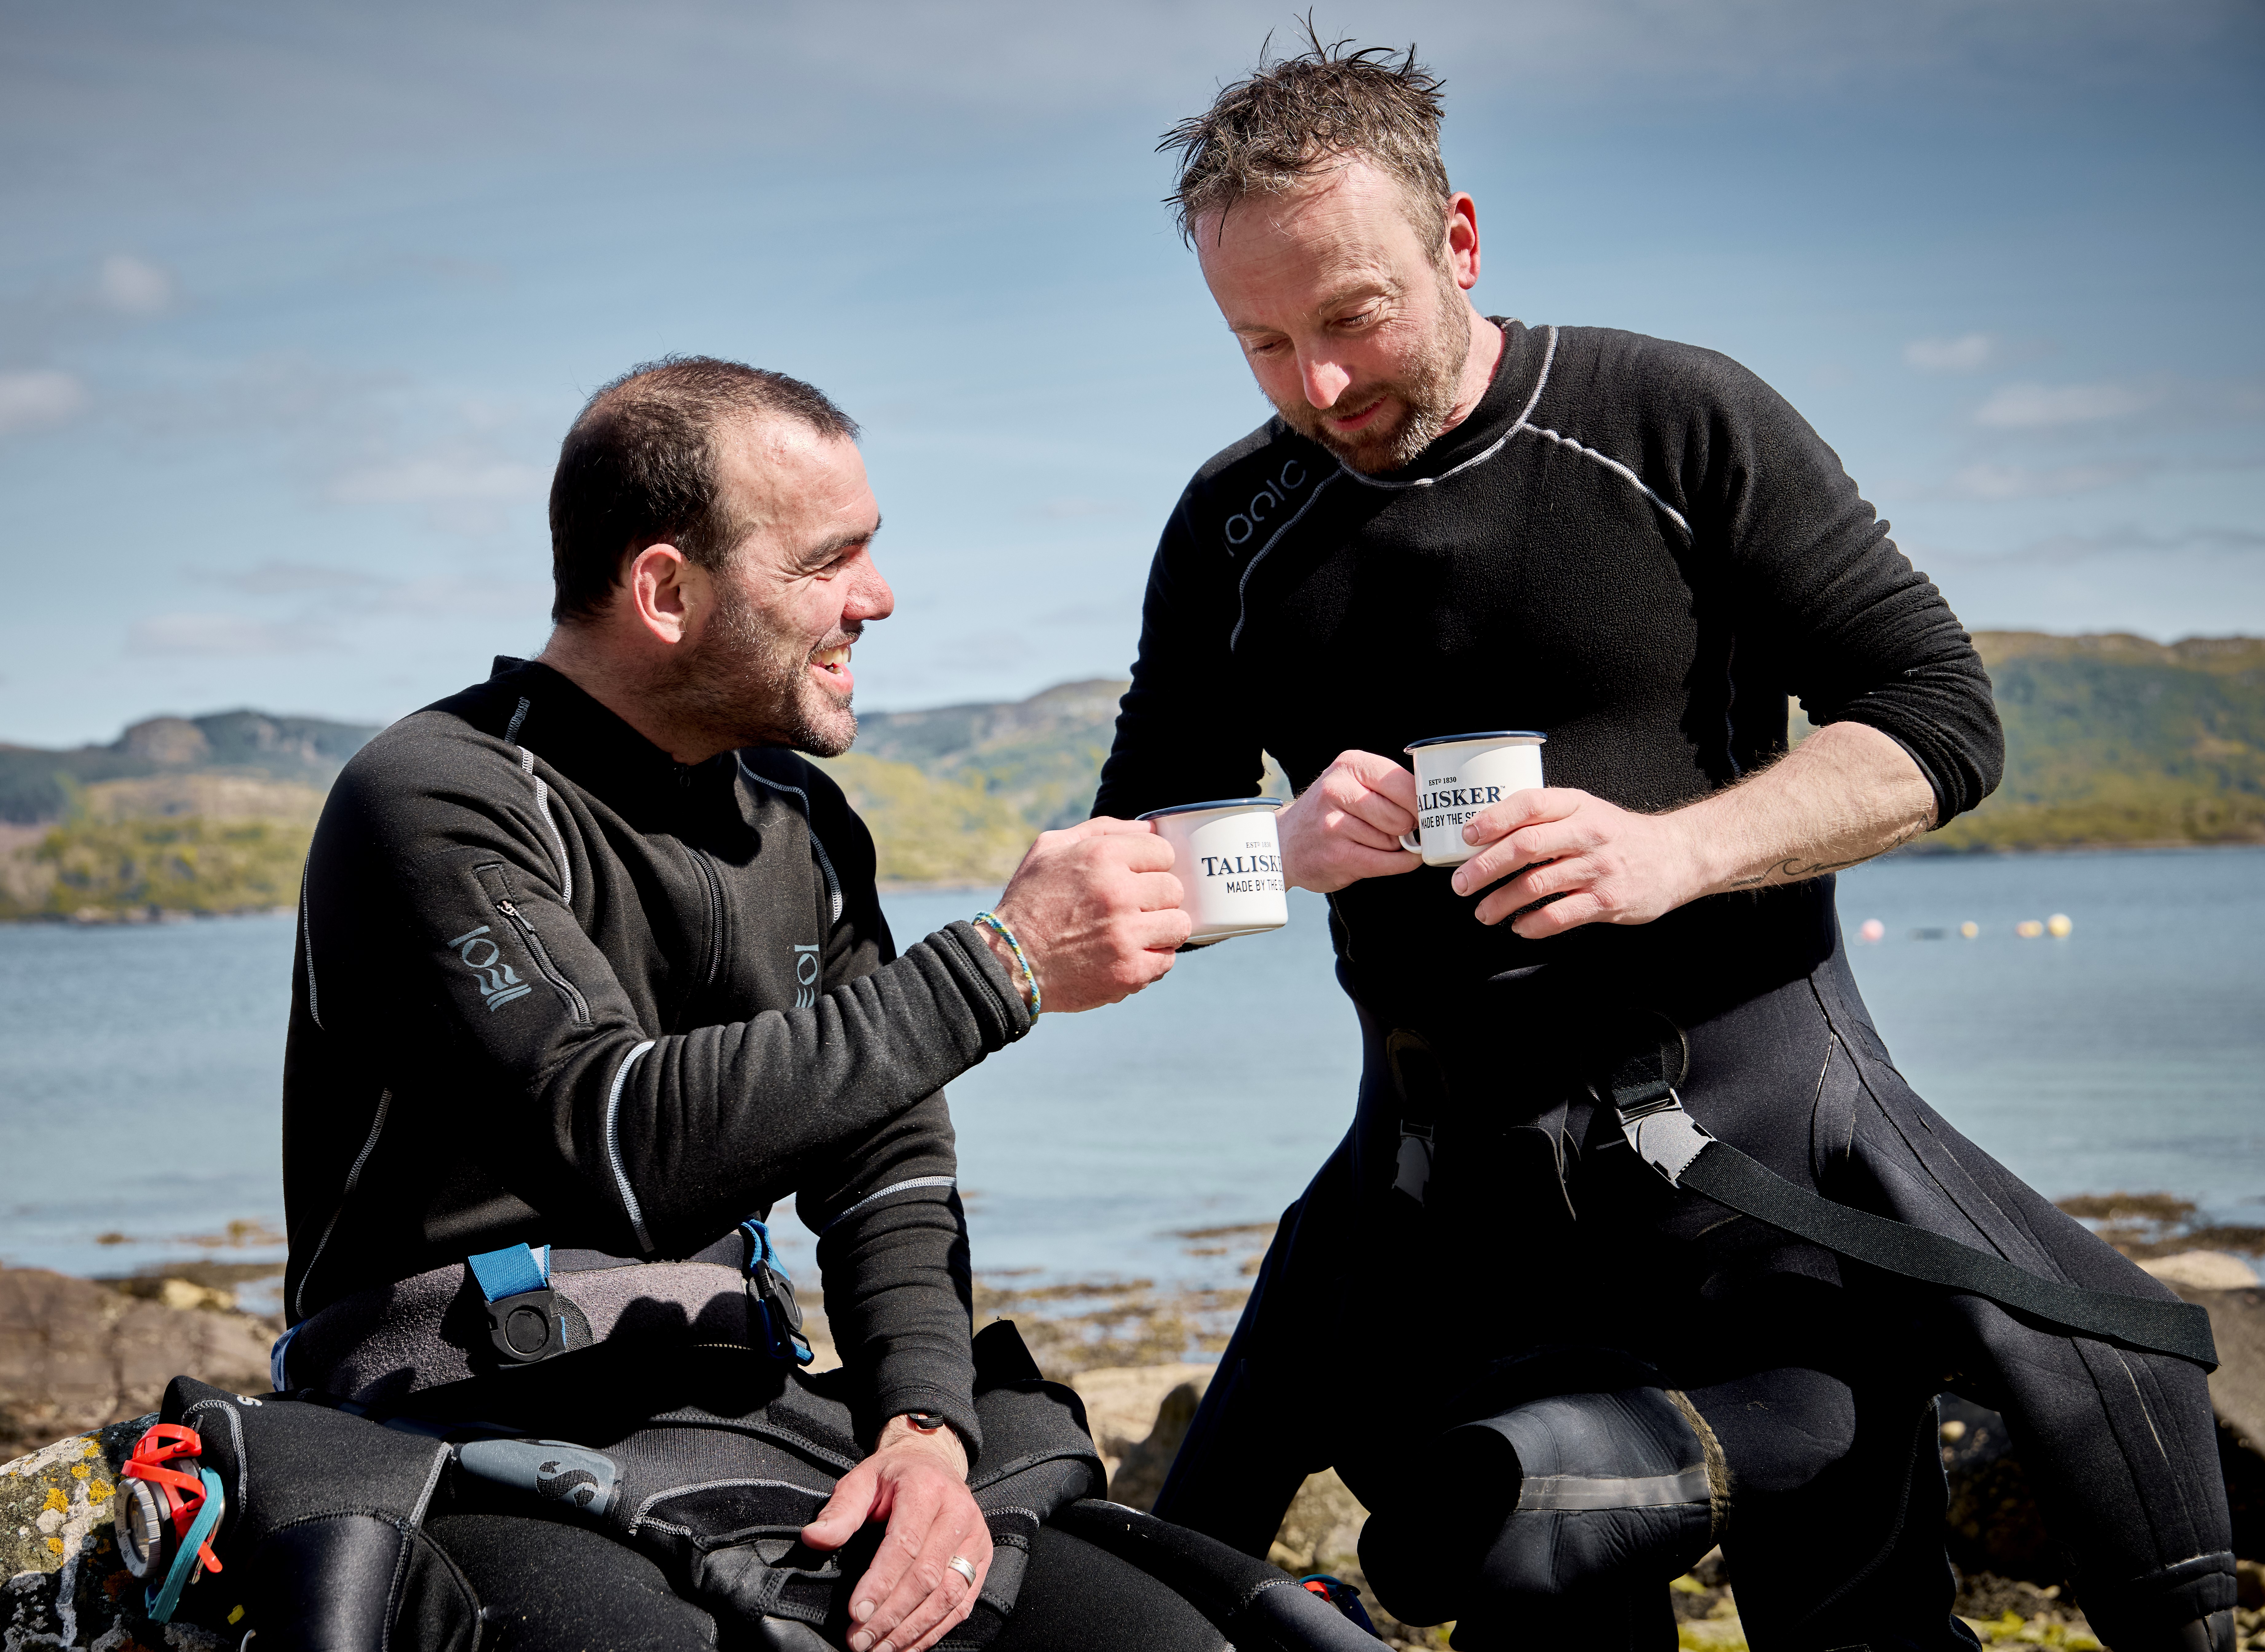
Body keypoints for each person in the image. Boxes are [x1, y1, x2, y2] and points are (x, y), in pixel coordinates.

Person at [1091, 37, 2237, 1652]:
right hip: (1451, 1215)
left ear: (1459, 240)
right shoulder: (1233, 526)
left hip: (1765, 1186)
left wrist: (1674, 854)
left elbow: (1936, 716)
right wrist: (1272, 854)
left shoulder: (1671, 418)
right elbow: (1129, 873)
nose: (1319, 387)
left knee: (1861, 1625)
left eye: (1351, 317)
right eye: (1262, 344)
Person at [277, 357, 1244, 1652]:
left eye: (873, 551)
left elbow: (885, 1158)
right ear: (666, 590)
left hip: (748, 1407)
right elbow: (622, 1139)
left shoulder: (803, 820)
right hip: (463, 1420)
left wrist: (922, 1426)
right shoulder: (438, 799)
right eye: (828, 560)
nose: (878, 598)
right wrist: (1002, 965)